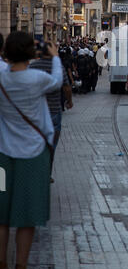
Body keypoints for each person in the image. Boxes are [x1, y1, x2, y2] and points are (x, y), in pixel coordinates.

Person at [0, 32, 63, 269]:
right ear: (31, 53)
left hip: (3, 155)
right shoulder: (37, 79)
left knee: (1, 215)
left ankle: (2, 266)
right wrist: (55, 56)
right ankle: (21, 268)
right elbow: (57, 81)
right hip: (33, 155)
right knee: (27, 215)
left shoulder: (2, 79)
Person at [29, 42, 73, 181]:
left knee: (36, 143)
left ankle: (35, 170)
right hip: (54, 111)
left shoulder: (33, 66)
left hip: (36, 112)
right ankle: (46, 173)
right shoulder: (58, 67)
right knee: (51, 146)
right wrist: (69, 101)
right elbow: (66, 86)